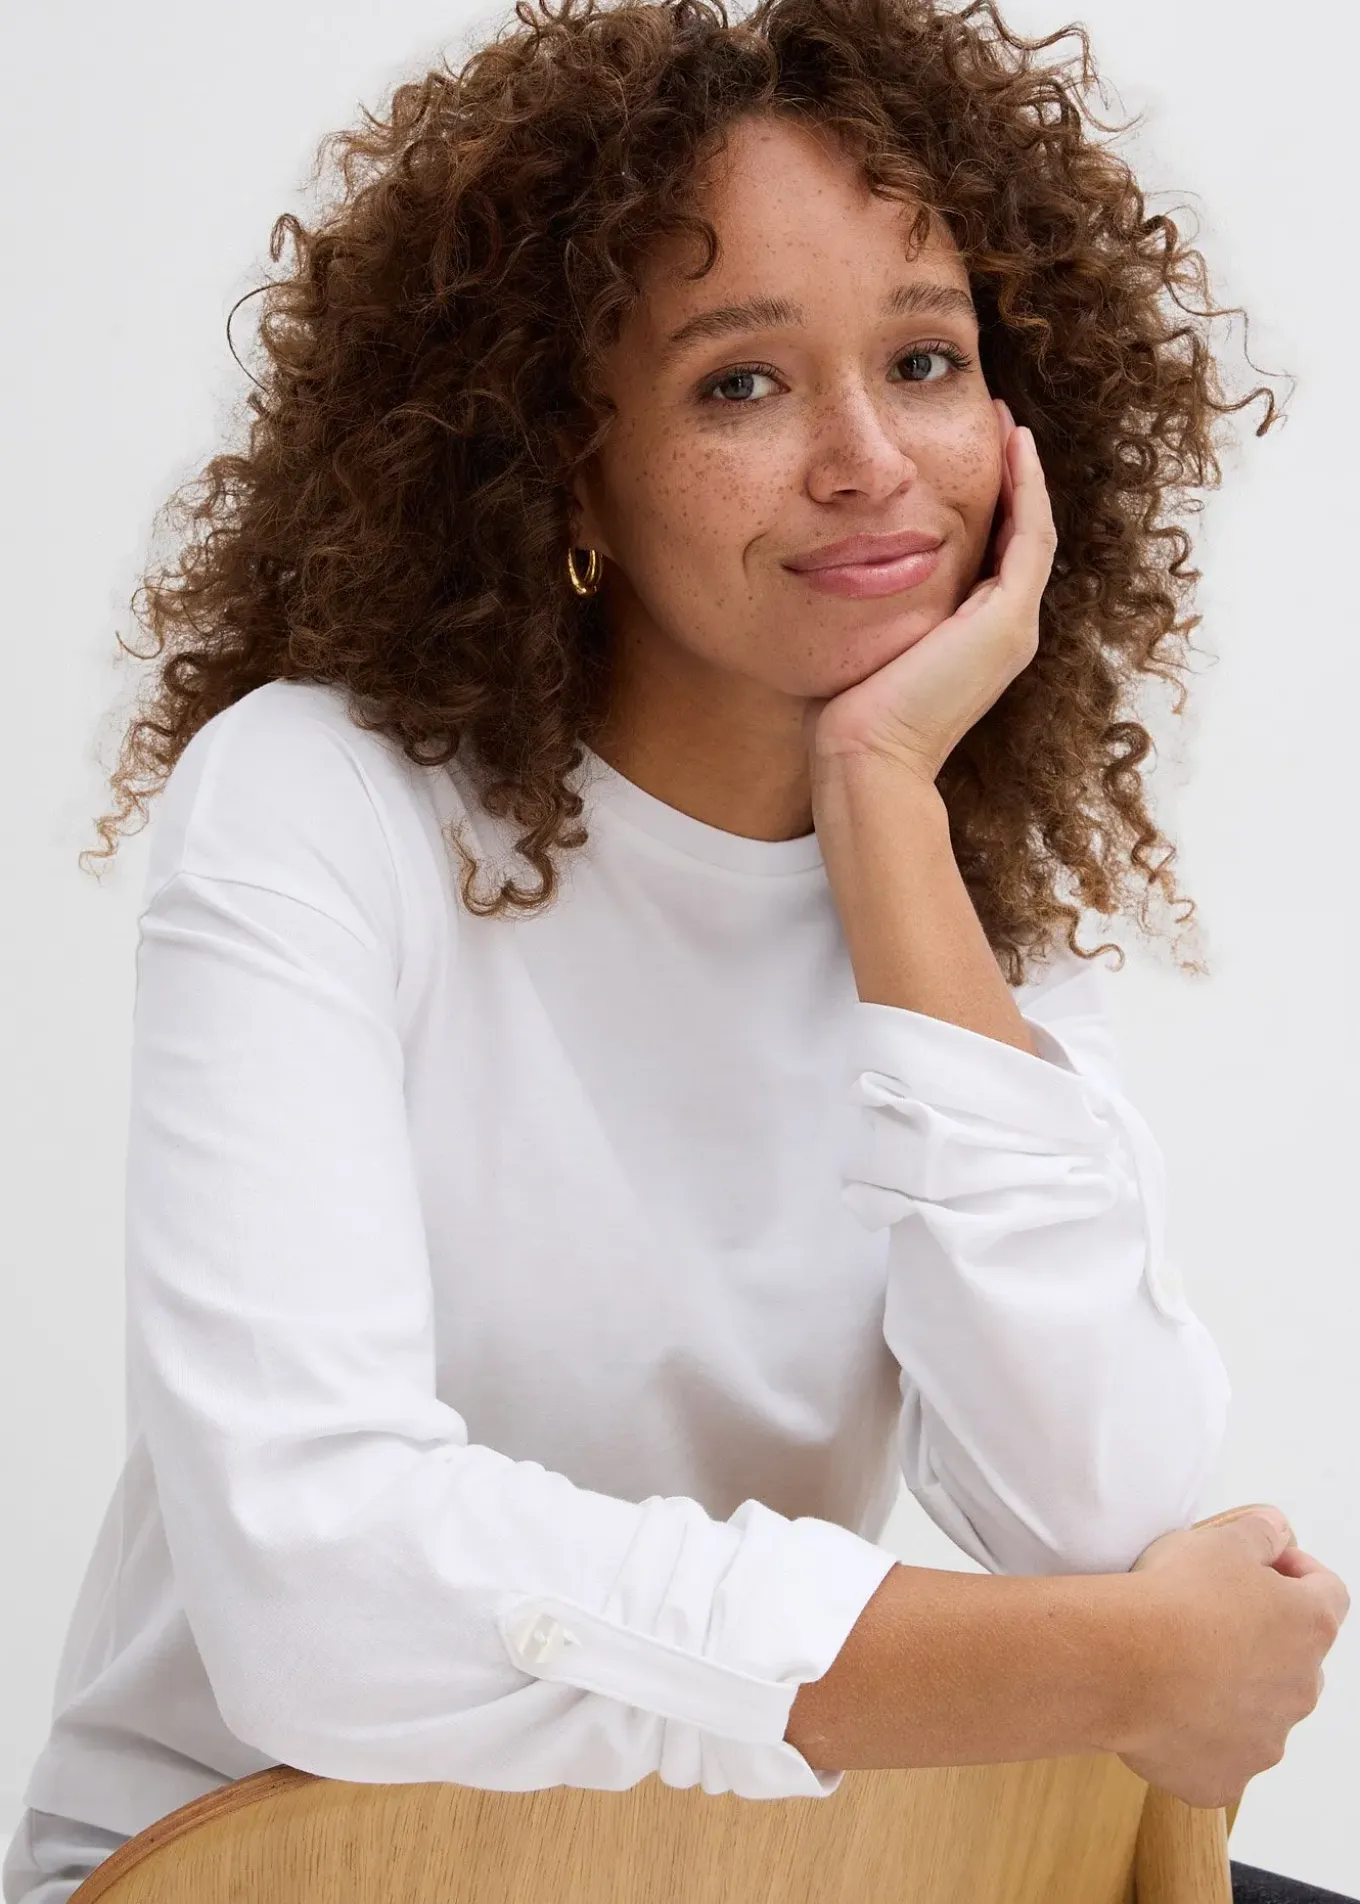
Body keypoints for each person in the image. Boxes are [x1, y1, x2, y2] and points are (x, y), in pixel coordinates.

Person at [6, 1, 1352, 1900]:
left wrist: (883, 797)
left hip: (733, 1867)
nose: (872, 458)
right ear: (564, 461)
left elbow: (1111, 1508)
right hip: (264, 1864)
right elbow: (329, 1596)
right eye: (743, 385)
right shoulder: (321, 807)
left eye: (928, 359)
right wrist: (1117, 1666)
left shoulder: (966, 893)